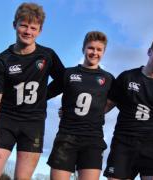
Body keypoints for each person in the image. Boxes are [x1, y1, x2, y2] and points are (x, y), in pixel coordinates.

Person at [0, 2, 64, 180]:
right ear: (14, 25)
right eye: (24, 25)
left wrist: (45, 95)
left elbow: (64, 81)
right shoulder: (2, 60)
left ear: (40, 31)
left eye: (33, 28)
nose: (28, 31)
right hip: (6, 121)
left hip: (33, 124)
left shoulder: (47, 56)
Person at [47, 31, 115, 180]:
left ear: (103, 52)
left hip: (93, 140)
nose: (94, 52)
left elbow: (116, 100)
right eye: (91, 48)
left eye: (99, 49)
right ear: (83, 48)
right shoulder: (68, 74)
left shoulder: (108, 79)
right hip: (66, 137)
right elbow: (44, 94)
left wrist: (97, 113)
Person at [104, 38, 153, 180]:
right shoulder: (127, 77)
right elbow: (105, 107)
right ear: (149, 52)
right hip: (123, 145)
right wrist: (72, 111)